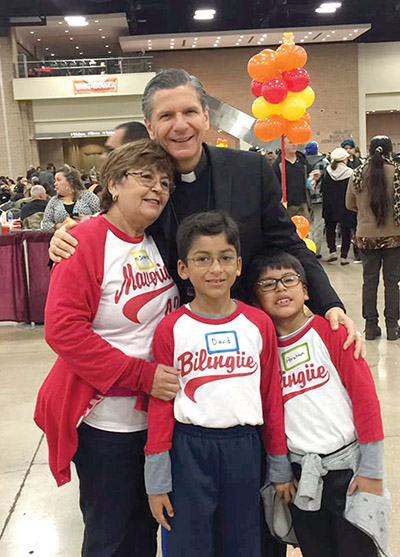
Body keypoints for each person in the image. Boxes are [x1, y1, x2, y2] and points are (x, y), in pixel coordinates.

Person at [49, 69, 363, 362]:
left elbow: (290, 245)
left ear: (206, 117)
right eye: (166, 116)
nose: (180, 125)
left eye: (189, 112)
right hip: (169, 344)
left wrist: (330, 304)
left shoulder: (250, 171)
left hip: (245, 334)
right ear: (150, 127)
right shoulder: (143, 188)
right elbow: (109, 230)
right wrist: (63, 241)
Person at [34, 139, 181, 556]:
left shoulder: (157, 240)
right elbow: (62, 331)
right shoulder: (88, 240)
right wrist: (143, 376)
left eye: (166, 182)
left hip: (154, 421)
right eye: (146, 178)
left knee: (143, 530)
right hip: (107, 425)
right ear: (114, 184)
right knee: (111, 537)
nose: (157, 189)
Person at [145, 211, 294, 556]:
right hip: (188, 450)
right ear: (183, 269)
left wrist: (278, 461)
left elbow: (271, 396)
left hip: (244, 448)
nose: (216, 269)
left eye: (225, 258)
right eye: (202, 259)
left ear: (239, 265)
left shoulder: (258, 324)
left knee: (243, 543)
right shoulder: (171, 328)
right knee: (187, 543)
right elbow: (161, 404)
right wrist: (156, 478)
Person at [250, 250, 391, 557]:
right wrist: (281, 472)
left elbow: (365, 401)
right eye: (268, 284)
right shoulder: (264, 351)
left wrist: (371, 470)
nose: (280, 289)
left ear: (306, 290)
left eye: (289, 280)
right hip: (302, 478)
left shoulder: (332, 333)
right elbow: (272, 416)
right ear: (256, 299)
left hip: (350, 472)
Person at [346, 135, 400, 341]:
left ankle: (370, 327)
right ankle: (393, 327)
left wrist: (365, 214)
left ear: (369, 151)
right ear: (389, 151)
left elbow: (349, 204)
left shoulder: (357, 173)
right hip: (394, 236)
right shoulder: (397, 172)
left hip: (366, 236)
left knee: (369, 282)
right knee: (392, 282)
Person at [321, 147, 356, 265]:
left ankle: (332, 251)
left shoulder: (327, 171)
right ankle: (344, 256)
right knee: (346, 229)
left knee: (330, 228)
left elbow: (323, 188)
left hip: (330, 204)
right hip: (345, 205)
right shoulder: (350, 172)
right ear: (345, 159)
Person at [41, 164, 100, 233]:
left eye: (59, 180)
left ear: (70, 182)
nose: (55, 184)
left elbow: (103, 215)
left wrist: (87, 218)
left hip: (88, 237)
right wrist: (59, 226)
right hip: (63, 240)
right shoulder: (54, 201)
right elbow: (44, 224)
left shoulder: (88, 196)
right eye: (55, 181)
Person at [272, 138, 312, 218]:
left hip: (303, 203)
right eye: (290, 142)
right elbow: (273, 184)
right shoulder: (278, 164)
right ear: (284, 145)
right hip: (287, 205)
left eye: (295, 142)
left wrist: (314, 177)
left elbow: (309, 179)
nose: (294, 144)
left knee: (304, 229)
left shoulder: (302, 161)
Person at [305, 141, 329, 258]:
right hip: (320, 197)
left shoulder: (302, 162)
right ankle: (317, 251)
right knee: (319, 225)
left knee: (307, 225)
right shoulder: (324, 162)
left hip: (306, 197)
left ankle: (307, 248)